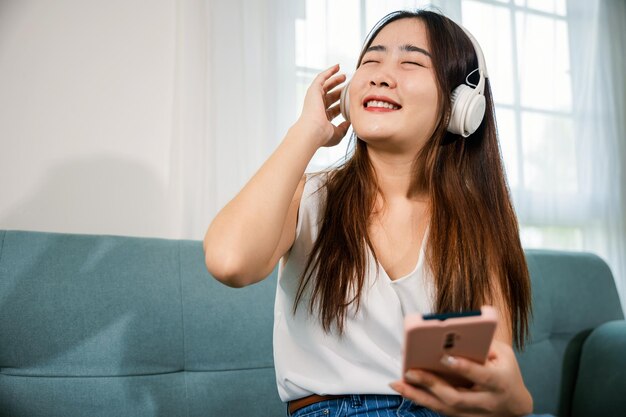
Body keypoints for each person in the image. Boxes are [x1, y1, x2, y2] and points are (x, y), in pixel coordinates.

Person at [204, 9, 537, 417]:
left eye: (411, 62)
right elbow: (229, 261)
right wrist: (307, 131)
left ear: (460, 105)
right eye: (371, 61)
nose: (381, 75)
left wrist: (516, 402)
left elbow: (491, 377)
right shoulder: (307, 197)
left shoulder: (474, 224)